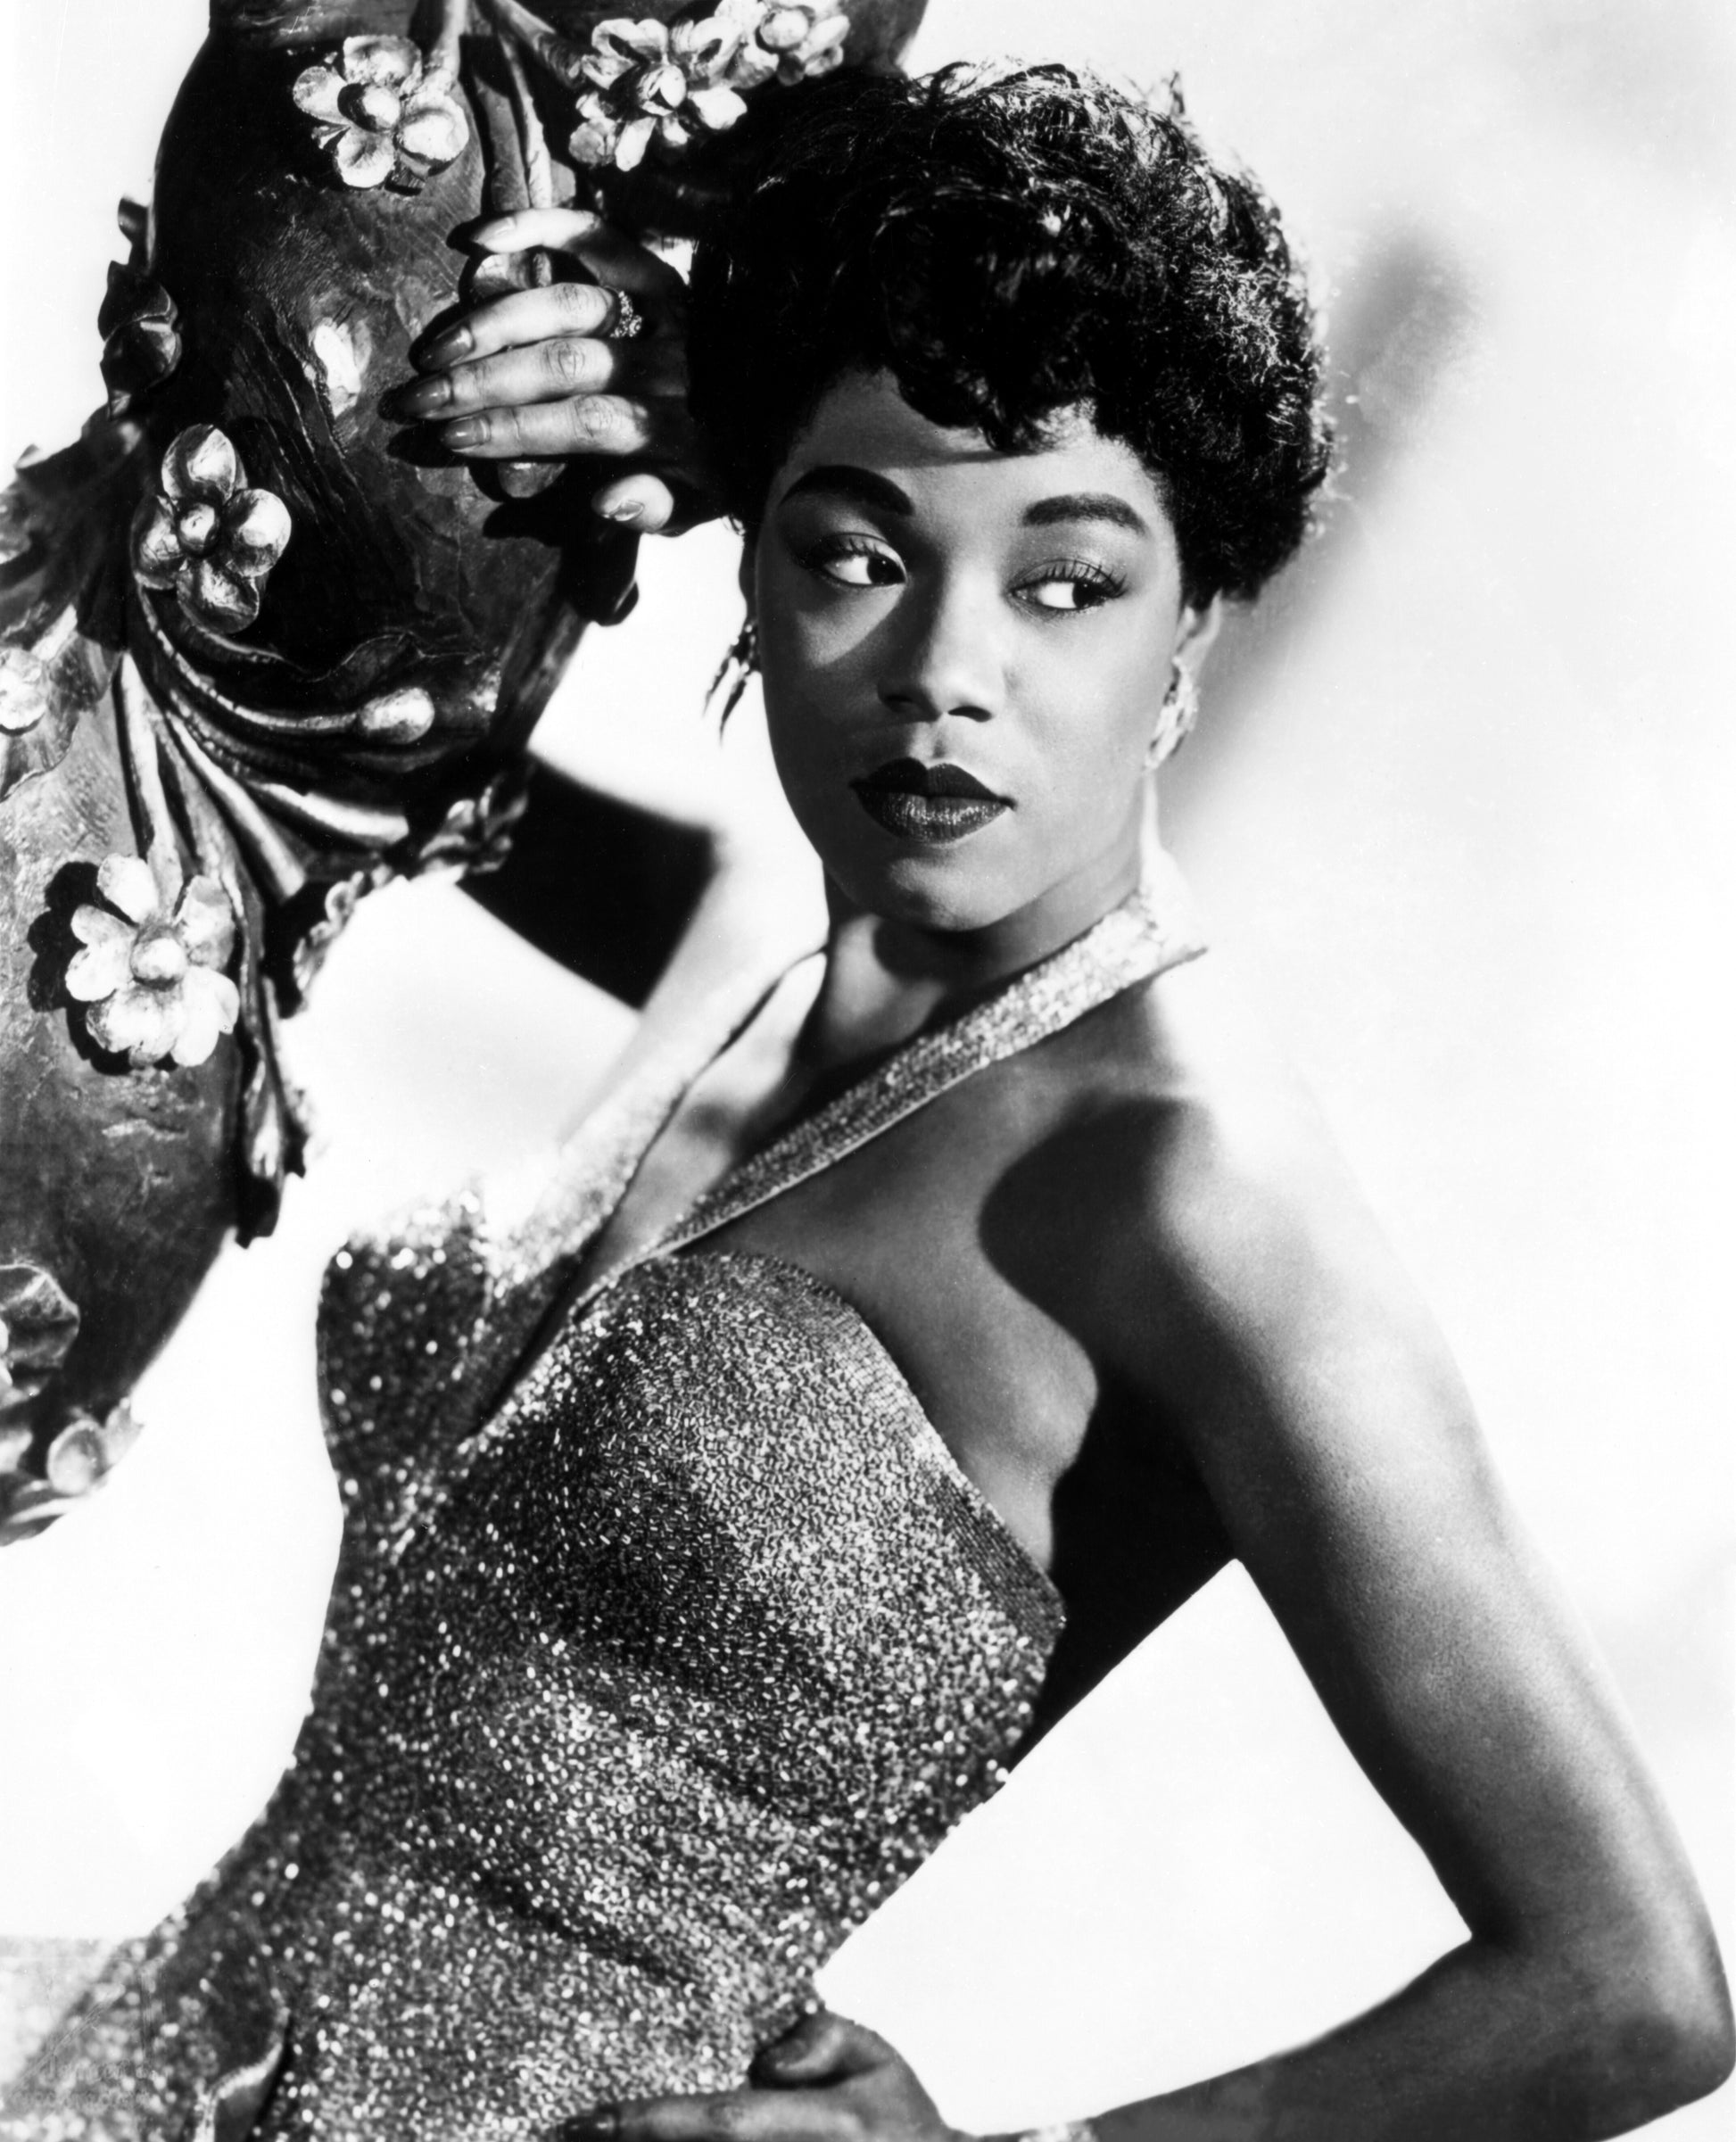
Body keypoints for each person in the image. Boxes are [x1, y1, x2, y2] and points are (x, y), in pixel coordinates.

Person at [3, 60, 1730, 2142]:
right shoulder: (746, 930)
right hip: (152, 2065)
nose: (945, 671)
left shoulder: (1177, 1183)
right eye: (857, 557)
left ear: (1190, 624)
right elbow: (327, 752)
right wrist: (702, 432)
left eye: (1066, 581)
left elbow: (1627, 1991)